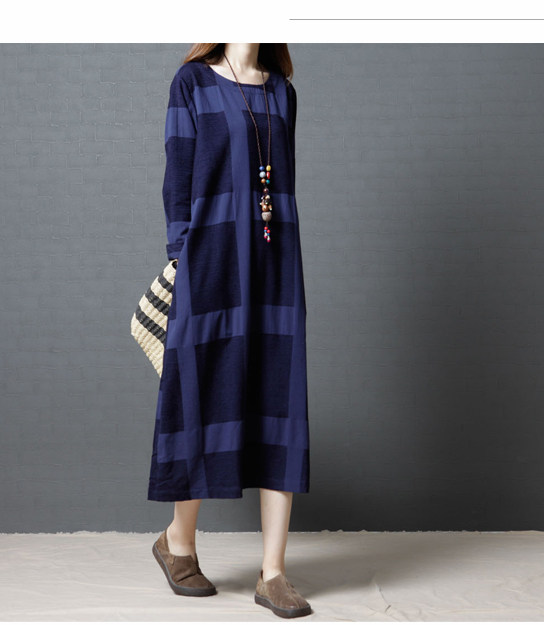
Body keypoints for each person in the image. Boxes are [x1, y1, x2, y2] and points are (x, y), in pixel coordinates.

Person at [147, 43, 312, 618]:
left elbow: (281, 184)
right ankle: (178, 542)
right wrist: (180, 259)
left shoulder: (282, 93)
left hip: (274, 258)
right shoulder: (191, 84)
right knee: (202, 394)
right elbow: (178, 176)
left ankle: (273, 573)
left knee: (278, 399)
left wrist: (280, 254)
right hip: (210, 258)